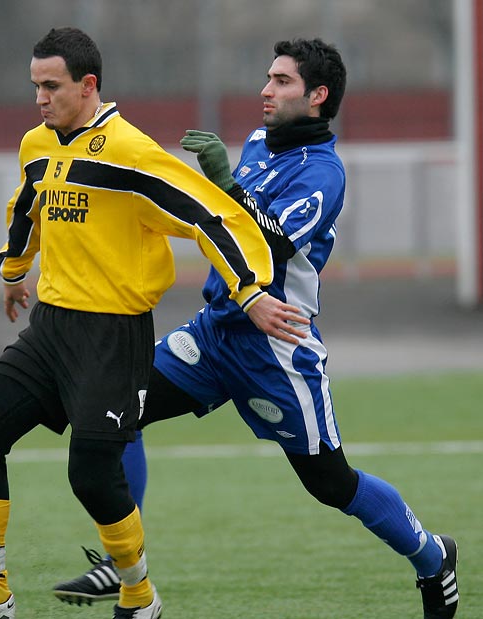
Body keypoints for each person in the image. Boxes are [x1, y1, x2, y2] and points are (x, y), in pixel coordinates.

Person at [52, 38, 459, 619]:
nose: (266, 90)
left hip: (277, 348)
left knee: (331, 483)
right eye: (268, 78)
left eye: (283, 81)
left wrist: (227, 183)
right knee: (117, 406)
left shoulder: (324, 173)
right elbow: (218, 221)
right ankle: (123, 566)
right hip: (215, 333)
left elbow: (269, 239)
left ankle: (431, 556)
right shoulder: (257, 142)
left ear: (317, 97)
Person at [0, 27, 310, 619]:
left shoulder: (131, 153)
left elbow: (213, 216)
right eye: (35, 86)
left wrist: (252, 290)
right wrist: (12, 271)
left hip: (113, 337)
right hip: (50, 329)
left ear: (88, 85)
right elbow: (26, 205)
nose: (40, 98)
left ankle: (139, 595)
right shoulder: (38, 144)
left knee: (91, 472)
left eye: (51, 86)